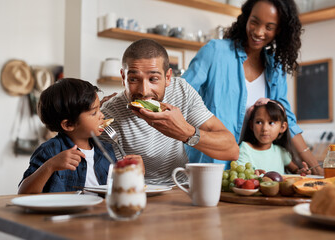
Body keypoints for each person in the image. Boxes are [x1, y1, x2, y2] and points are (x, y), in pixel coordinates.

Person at [182, 0, 323, 175]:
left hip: (252, 173)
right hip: (212, 165)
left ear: (279, 30)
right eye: (254, 21)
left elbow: (289, 121)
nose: (258, 32)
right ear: (246, 17)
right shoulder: (215, 52)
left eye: (269, 27)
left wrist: (317, 168)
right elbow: (180, 95)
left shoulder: (275, 69)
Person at [100, 39, 239, 185]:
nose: (144, 91)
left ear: (167, 78)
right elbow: (103, 174)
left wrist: (184, 132)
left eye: (153, 79)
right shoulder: (109, 114)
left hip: (181, 188)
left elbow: (232, 150)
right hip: (138, 191)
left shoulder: (181, 91)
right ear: (123, 78)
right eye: (134, 79)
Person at [18, 78, 142, 193]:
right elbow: (23, 192)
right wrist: (49, 166)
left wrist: (135, 173)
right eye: (94, 113)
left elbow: (118, 191)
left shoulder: (107, 150)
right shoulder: (50, 151)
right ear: (68, 124)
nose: (102, 116)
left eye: (99, 109)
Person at [237, 99, 310, 175]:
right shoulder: (245, 149)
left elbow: (296, 171)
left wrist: (302, 172)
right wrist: (252, 174)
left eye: (271, 123)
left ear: (282, 127)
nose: (265, 128)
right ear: (252, 125)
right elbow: (241, 175)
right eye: (259, 122)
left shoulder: (281, 152)